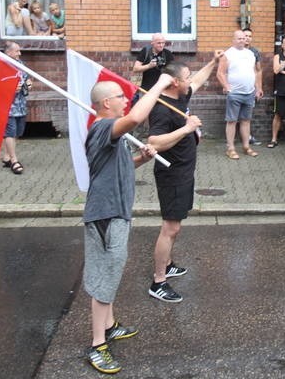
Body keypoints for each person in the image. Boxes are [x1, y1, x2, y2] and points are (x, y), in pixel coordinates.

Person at [82, 73, 172, 374]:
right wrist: (159, 85)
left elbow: (122, 164)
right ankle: (98, 345)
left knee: (112, 272)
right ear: (107, 103)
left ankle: (109, 326)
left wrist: (142, 159)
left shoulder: (113, 136)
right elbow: (135, 118)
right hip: (105, 215)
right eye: (121, 96)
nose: (126, 99)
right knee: (104, 278)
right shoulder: (103, 127)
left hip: (116, 213)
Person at [147, 52, 223, 303]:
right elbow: (154, 142)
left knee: (175, 225)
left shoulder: (180, 96)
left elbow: (198, 80)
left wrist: (213, 62)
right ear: (174, 82)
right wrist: (187, 129)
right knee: (171, 227)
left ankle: (167, 265)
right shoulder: (161, 109)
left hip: (184, 171)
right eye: (186, 78)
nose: (190, 82)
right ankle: (158, 281)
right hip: (172, 174)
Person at [217, 29, 262, 159]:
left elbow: (254, 72)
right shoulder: (227, 54)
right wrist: (227, 87)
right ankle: (230, 149)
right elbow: (220, 73)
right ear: (233, 40)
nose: (242, 40)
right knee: (231, 121)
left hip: (249, 93)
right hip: (235, 93)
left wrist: (257, 88)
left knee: (246, 121)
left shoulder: (250, 54)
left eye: (244, 38)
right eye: (239, 38)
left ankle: (246, 146)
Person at [0, 41, 32, 175]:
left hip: (20, 105)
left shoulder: (21, 65)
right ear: (8, 52)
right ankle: (14, 160)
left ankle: (7, 156)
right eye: (17, 51)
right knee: (10, 132)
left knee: (18, 132)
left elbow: (27, 78)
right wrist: (9, 88)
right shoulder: (1, 65)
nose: (20, 53)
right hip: (8, 106)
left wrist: (29, 84)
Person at [243, 27, 263, 146]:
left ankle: (248, 136)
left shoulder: (254, 52)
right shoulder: (234, 51)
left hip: (250, 88)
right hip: (237, 89)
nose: (247, 38)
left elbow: (258, 70)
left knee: (248, 114)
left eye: (250, 36)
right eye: (245, 36)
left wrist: (259, 88)